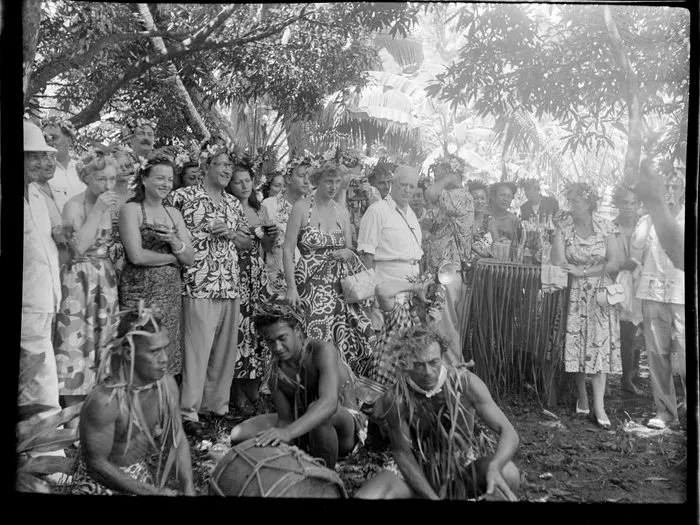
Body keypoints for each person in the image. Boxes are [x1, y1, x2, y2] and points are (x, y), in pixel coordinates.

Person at [354, 325, 520, 501]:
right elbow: (403, 455)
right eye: (418, 365)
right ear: (404, 364)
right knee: (366, 496)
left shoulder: (466, 384)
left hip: (461, 466)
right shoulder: (395, 399)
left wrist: (495, 465)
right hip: (415, 471)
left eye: (433, 362)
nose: (427, 372)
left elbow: (509, 432)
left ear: (442, 357)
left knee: (509, 473)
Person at [164, 144, 245, 437]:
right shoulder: (182, 197)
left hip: (229, 284)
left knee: (223, 354)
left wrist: (231, 232)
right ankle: (188, 413)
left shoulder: (233, 203)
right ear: (206, 165)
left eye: (229, 167)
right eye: (221, 164)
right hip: (198, 283)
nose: (226, 170)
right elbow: (167, 233)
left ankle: (216, 410)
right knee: (196, 353)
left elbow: (246, 242)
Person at [72, 305, 195, 496]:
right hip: (99, 486)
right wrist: (150, 491)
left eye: (165, 349)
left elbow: (176, 439)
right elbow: (96, 464)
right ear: (129, 353)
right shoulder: (105, 401)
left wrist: (188, 488)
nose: (164, 359)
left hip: (139, 477)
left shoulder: (166, 386)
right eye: (154, 352)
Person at [229, 303, 367, 470]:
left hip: (345, 428)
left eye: (282, 338)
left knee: (317, 408)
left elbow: (329, 403)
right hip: (301, 425)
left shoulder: (322, 351)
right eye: (270, 341)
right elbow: (285, 419)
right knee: (239, 434)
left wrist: (287, 432)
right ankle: (299, 459)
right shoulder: (275, 372)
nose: (277, 347)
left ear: (298, 330)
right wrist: (277, 440)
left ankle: (325, 478)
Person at [284, 163, 376, 371]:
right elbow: (288, 249)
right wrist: (291, 287)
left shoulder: (341, 212)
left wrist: (348, 252)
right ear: (317, 181)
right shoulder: (301, 208)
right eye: (328, 181)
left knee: (344, 338)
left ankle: (342, 391)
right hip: (310, 283)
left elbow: (350, 248)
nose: (333, 186)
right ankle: (310, 391)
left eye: (336, 182)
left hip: (338, 286)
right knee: (313, 339)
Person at [54, 150, 121, 421]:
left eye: (112, 179)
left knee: (105, 343)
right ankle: (72, 420)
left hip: (105, 280)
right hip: (78, 280)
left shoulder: (111, 204)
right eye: (101, 178)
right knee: (75, 345)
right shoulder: (74, 205)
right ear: (86, 177)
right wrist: (98, 210)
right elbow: (79, 247)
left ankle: (96, 418)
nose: (107, 186)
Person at [551, 183, 622, 429]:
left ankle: (599, 405)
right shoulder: (566, 226)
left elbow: (614, 263)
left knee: (599, 346)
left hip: (599, 293)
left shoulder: (604, 225)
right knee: (578, 345)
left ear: (589, 202)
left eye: (575, 201)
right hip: (576, 293)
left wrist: (585, 271)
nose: (571, 205)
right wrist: (558, 231)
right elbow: (558, 261)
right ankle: (582, 398)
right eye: (569, 200)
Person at [118, 156, 194, 384]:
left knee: (165, 351)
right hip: (139, 293)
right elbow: (137, 255)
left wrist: (174, 241)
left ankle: (163, 410)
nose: (165, 184)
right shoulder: (131, 209)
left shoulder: (174, 214)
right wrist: (173, 257)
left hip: (170, 295)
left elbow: (189, 257)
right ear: (144, 178)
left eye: (170, 179)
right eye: (159, 178)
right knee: (141, 348)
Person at [630, 169, 686, 430]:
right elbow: (636, 250)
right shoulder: (648, 219)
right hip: (652, 292)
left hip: (683, 295)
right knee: (656, 354)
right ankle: (665, 411)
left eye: (677, 186)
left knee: (687, 356)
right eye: (667, 187)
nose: (671, 191)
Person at [19, 121, 63, 431]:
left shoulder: (36, 195)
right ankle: (44, 453)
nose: (39, 162)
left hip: (46, 297)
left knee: (43, 374)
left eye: (41, 155)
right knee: (38, 378)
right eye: (31, 156)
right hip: (27, 302)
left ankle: (45, 449)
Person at [226, 160, 276, 414]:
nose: (244, 185)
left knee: (255, 333)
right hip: (236, 275)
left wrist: (270, 237)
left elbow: (266, 248)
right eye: (238, 181)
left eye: (247, 180)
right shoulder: (229, 208)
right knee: (237, 332)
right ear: (230, 185)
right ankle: (236, 391)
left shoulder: (260, 209)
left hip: (258, 276)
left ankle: (254, 388)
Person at [357, 165, 423, 331]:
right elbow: (367, 255)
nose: (407, 190)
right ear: (393, 182)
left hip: (411, 292)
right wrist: (370, 295)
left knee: (407, 345)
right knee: (386, 343)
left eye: (412, 186)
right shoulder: (377, 211)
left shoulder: (411, 215)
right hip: (386, 291)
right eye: (403, 184)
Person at [423, 155, 475, 347]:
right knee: (436, 321)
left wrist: (447, 179)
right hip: (439, 268)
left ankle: (452, 367)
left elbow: (430, 193)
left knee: (446, 324)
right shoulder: (451, 198)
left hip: (449, 270)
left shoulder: (461, 196)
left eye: (440, 170)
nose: (436, 173)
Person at [260, 156, 311, 299]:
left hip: (309, 287)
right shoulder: (268, 205)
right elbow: (263, 247)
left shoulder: (313, 207)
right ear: (288, 178)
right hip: (277, 288)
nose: (306, 181)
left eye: (309, 176)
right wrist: (270, 236)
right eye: (301, 176)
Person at [611, 184, 644, 396]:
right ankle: (610, 380)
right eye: (625, 203)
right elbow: (608, 257)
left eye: (633, 203)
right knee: (617, 332)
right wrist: (623, 265)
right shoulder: (611, 227)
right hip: (617, 282)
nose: (629, 207)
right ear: (618, 204)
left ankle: (629, 377)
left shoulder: (644, 227)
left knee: (633, 333)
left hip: (639, 283)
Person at [631, 159, 685, 270]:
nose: (670, 191)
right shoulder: (646, 221)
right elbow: (635, 257)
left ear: (682, 191)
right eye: (667, 187)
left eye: (675, 187)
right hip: (650, 283)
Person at [42, 116, 86, 213]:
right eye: (45, 138)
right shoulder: (41, 173)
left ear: (69, 139)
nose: (49, 142)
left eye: (54, 137)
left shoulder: (84, 168)